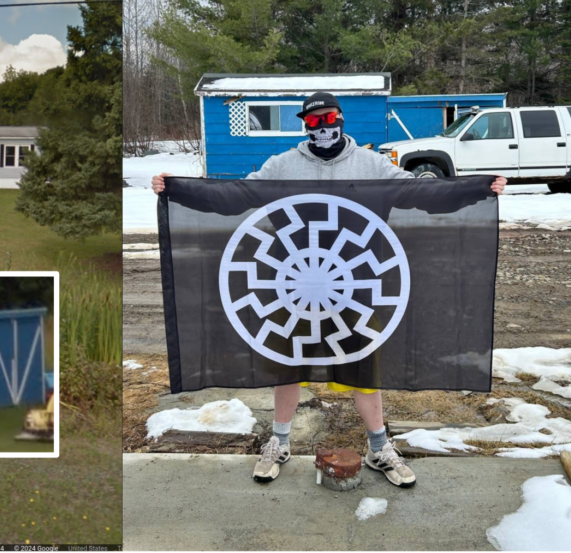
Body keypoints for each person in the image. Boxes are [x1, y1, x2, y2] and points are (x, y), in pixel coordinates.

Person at [151, 91, 506, 489]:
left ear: (342, 118)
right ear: (305, 123)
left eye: (330, 117)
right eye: (315, 121)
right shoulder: (283, 165)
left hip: (351, 285)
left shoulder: (371, 164)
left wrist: (475, 189)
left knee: (362, 369)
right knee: (286, 364)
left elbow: (419, 193)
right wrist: (179, 190)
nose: (324, 127)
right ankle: (279, 442)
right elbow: (237, 195)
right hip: (291, 283)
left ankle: (378, 448)